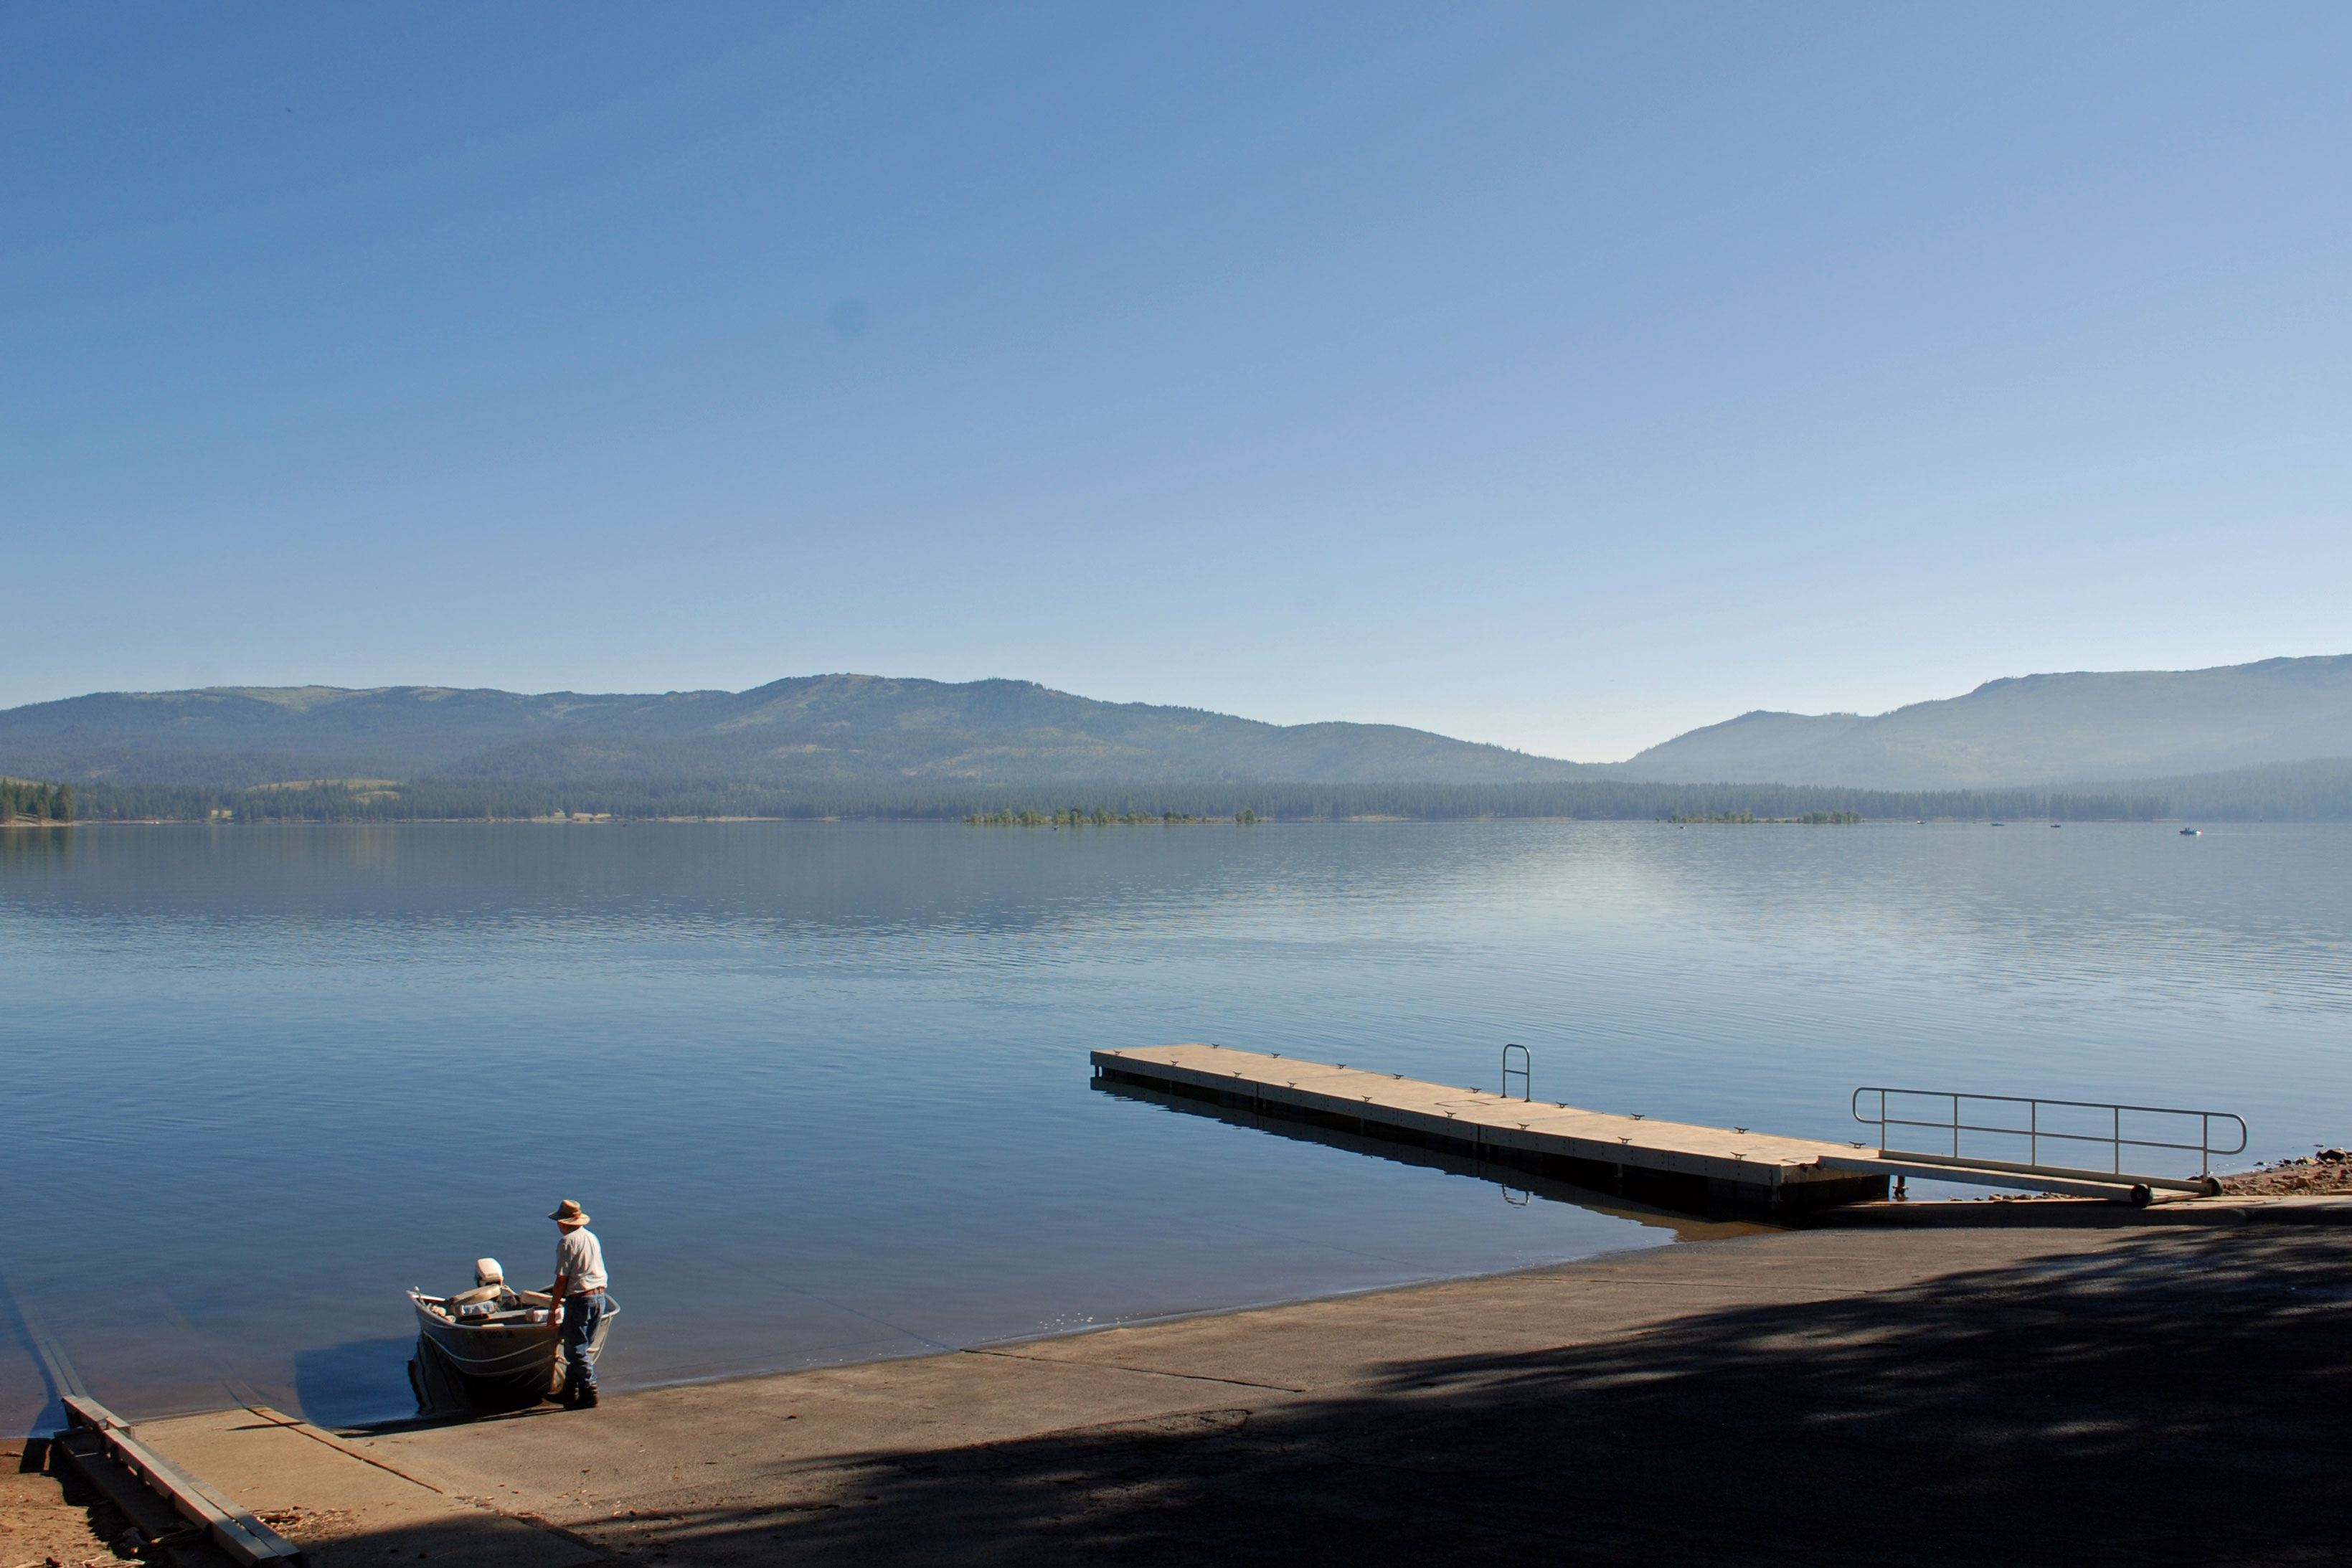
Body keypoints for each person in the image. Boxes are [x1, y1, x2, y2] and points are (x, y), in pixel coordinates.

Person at [546, 1199, 610, 1409]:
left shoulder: (567, 1242)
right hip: (599, 1296)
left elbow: (562, 1279)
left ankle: (590, 1390)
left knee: (575, 1350)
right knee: (582, 1345)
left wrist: (553, 1308)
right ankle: (569, 1391)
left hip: (580, 1298)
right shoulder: (592, 1237)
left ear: (563, 1223)